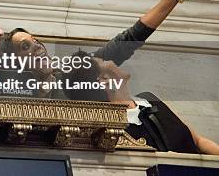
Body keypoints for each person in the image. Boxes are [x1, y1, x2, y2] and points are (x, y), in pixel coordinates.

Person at [0, 0, 196, 97]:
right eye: (25, 46)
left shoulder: (74, 73)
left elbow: (130, 39)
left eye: (35, 40)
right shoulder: (15, 94)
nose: (37, 46)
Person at [63, 51, 219, 155]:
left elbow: (198, 140)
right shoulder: (113, 129)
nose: (112, 61)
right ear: (103, 80)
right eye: (104, 61)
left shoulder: (148, 100)